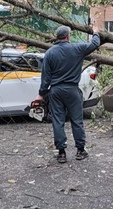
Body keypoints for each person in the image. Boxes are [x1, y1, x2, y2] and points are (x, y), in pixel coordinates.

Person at [34, 24, 100, 163]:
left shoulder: (50, 53)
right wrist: (95, 32)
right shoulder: (77, 48)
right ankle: (80, 150)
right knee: (77, 120)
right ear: (68, 36)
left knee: (58, 121)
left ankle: (62, 153)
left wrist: (41, 94)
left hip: (56, 91)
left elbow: (45, 77)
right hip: (72, 90)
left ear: (57, 37)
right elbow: (95, 44)